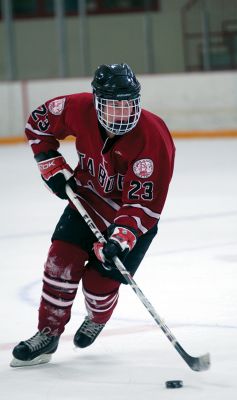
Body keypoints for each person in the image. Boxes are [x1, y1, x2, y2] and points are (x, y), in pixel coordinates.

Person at [11, 63, 175, 367]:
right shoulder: (76, 108)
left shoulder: (153, 136)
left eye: (128, 105)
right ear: (97, 101)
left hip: (132, 217)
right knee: (60, 263)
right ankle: (47, 334)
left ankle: (98, 316)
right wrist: (50, 163)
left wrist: (121, 237)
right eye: (113, 106)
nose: (121, 115)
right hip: (88, 198)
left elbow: (144, 205)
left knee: (98, 285)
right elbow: (38, 123)